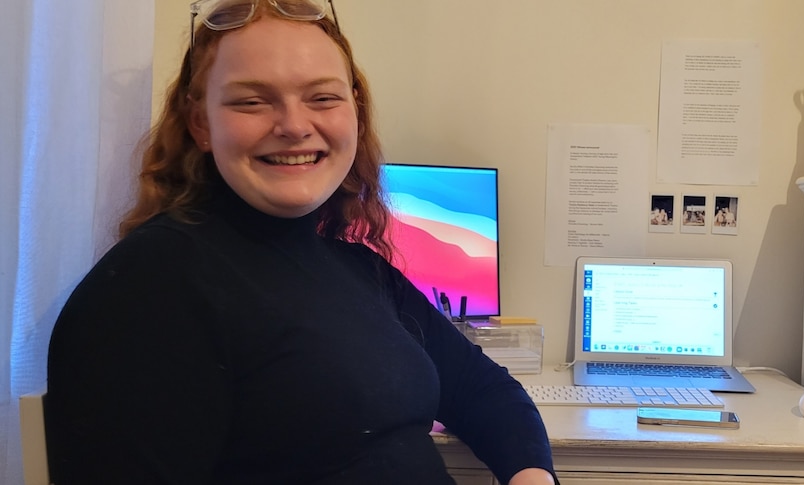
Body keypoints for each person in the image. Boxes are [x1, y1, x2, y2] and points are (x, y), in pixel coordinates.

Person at [44, 1, 558, 484]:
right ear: (201, 123)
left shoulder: (358, 269)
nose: (293, 126)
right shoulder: (150, 288)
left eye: (323, 97)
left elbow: (484, 390)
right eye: (252, 101)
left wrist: (531, 474)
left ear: (354, 111)